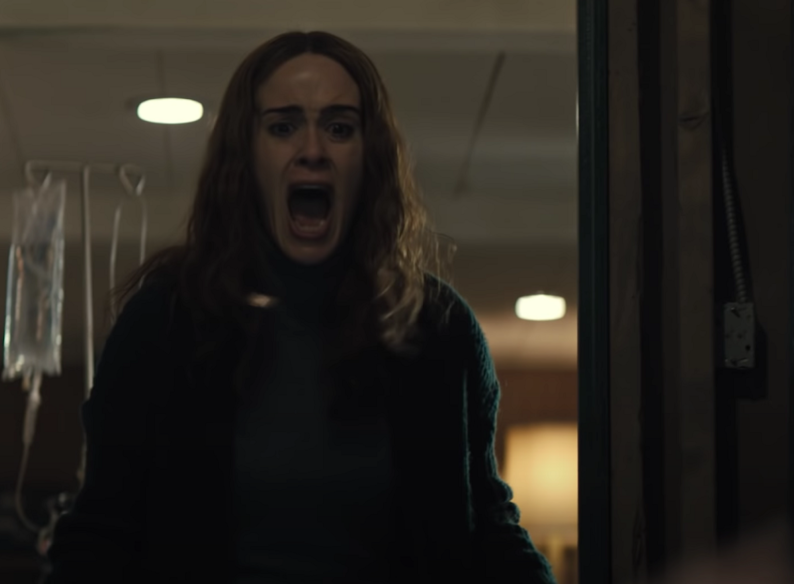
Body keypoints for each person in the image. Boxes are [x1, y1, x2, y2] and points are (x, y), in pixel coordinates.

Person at [45, 30, 556, 584]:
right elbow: (99, 536)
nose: (312, 150)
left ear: (370, 156)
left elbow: (487, 527)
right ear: (246, 155)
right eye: (283, 126)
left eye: (339, 128)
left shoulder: (439, 329)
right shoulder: (162, 322)